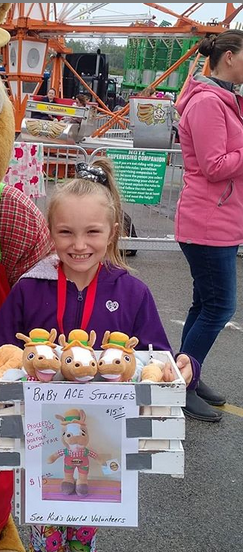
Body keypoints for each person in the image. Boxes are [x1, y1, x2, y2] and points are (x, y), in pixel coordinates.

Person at [0, 158, 199, 552]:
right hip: (40, 441)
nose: (79, 245)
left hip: (101, 445)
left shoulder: (131, 291)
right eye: (66, 232)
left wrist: (185, 366)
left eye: (92, 232)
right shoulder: (30, 287)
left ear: (112, 232)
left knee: (84, 538)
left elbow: (157, 356)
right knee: (44, 535)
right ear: (49, 232)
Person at [174, 30, 243, 422]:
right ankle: (181, 386)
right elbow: (215, 165)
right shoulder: (207, 103)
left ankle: (188, 376)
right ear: (229, 57)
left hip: (217, 218)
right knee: (219, 307)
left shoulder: (223, 99)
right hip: (207, 220)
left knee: (205, 304)